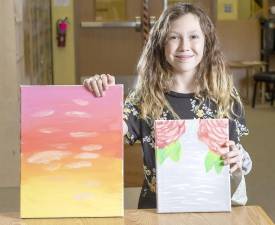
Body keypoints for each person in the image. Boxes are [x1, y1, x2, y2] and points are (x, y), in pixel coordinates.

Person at [83, 3, 252, 209]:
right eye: (174, 37)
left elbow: (234, 152)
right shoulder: (145, 97)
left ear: (207, 41)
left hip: (211, 206)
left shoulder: (225, 94)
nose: (184, 46)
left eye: (194, 36)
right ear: (161, 43)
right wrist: (100, 99)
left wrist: (240, 158)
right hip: (157, 209)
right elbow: (109, 133)